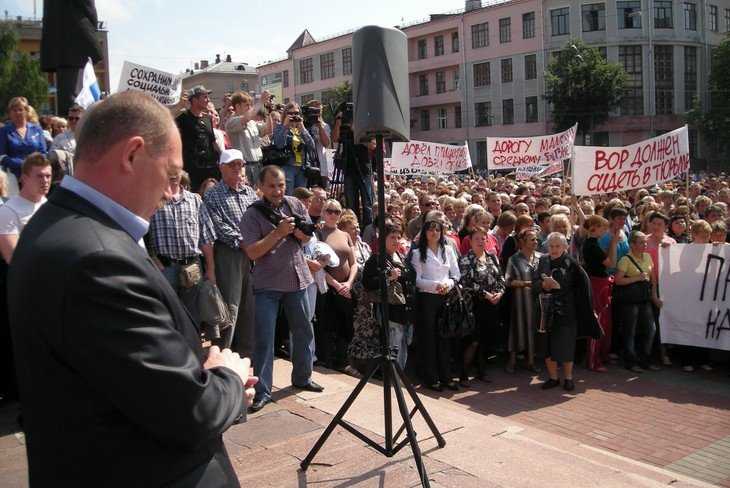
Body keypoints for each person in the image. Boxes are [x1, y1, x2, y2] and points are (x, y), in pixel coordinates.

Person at [8, 91, 255, 487]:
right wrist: (227, 377)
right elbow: (188, 410)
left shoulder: (54, 227)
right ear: (132, 155)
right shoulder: (98, 259)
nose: (172, 193)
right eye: (171, 175)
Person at [241, 165, 324, 413]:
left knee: (304, 331)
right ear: (261, 187)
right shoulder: (252, 214)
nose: (277, 191)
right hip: (267, 284)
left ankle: (302, 377)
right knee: (264, 340)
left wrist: (300, 233)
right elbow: (252, 251)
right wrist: (278, 233)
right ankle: (263, 391)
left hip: (297, 279)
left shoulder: (295, 205)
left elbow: (308, 237)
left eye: (280, 185)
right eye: (272, 186)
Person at [0, 153, 51, 406]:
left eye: (49, 176)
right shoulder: (8, 211)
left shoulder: (50, 205)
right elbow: (13, 257)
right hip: (26, 289)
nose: (45, 181)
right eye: (39, 176)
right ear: (24, 178)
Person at [203, 149, 257, 352]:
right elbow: (218, 226)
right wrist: (245, 242)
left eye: (240, 164)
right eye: (232, 164)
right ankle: (222, 354)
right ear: (221, 168)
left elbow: (257, 220)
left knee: (249, 307)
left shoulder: (249, 192)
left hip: (252, 254)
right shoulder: (213, 195)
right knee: (230, 307)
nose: (237, 168)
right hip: (229, 254)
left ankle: (246, 356)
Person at [147, 170, 217, 327]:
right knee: (166, 314)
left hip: (192, 266)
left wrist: (211, 269)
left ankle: (192, 349)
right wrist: (151, 257)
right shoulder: (153, 199)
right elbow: (143, 232)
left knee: (192, 316)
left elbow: (206, 238)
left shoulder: (195, 201)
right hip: (164, 267)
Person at [535, 232, 601, 391]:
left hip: (566, 310)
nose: (554, 249)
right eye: (551, 246)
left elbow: (583, 288)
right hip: (545, 311)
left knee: (566, 345)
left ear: (565, 246)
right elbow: (534, 281)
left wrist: (588, 309)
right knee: (547, 346)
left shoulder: (571, 263)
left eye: (558, 246)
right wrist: (543, 285)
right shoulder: (543, 260)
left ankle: (569, 378)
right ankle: (553, 378)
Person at [353, 219, 413, 373]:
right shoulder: (376, 259)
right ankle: (393, 377)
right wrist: (388, 277)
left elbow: (410, 277)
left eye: (398, 237)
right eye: (392, 237)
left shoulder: (401, 257)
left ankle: (399, 376)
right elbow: (368, 283)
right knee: (393, 345)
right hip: (388, 310)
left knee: (403, 342)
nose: (396, 240)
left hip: (404, 310)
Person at [411, 211, 461, 392]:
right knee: (429, 339)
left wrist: (447, 284)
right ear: (425, 233)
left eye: (437, 230)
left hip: (445, 297)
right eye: (430, 230)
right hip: (427, 299)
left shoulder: (448, 250)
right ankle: (431, 378)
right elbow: (416, 280)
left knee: (445, 338)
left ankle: (446, 376)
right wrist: (435, 285)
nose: (434, 233)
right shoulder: (418, 253)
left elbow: (455, 274)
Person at [459, 226, 505, 383]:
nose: (480, 241)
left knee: (485, 339)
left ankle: (481, 370)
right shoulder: (465, 260)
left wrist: (500, 292)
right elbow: (465, 282)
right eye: (476, 238)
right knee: (473, 340)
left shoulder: (492, 257)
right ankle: (463, 373)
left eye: (483, 238)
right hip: (474, 305)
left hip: (492, 304)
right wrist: (484, 294)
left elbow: (500, 278)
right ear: (470, 241)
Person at [316, 199, 358, 370]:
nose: (333, 214)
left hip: (346, 287)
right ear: (323, 212)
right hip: (328, 287)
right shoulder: (318, 234)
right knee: (327, 325)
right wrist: (336, 285)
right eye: (329, 210)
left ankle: (343, 361)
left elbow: (353, 262)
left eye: (337, 211)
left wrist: (348, 283)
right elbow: (317, 265)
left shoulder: (345, 235)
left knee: (346, 325)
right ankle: (326, 360)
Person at [613, 231, 661, 373]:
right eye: (640, 242)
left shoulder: (647, 256)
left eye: (645, 242)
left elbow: (652, 278)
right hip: (629, 301)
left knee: (650, 329)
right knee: (630, 331)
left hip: (644, 299)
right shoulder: (625, 260)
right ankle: (631, 361)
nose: (644, 245)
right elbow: (618, 280)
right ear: (632, 244)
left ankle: (645, 359)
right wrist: (636, 278)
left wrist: (654, 297)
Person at [582, 215, 619, 372]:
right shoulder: (591, 245)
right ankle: (592, 360)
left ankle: (600, 356)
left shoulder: (593, 244)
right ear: (595, 227)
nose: (605, 231)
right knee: (598, 321)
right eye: (603, 228)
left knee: (603, 321)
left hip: (600, 283)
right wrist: (613, 244)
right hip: (597, 284)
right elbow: (611, 262)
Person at [505, 227, 542, 374]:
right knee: (517, 329)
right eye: (532, 239)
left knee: (533, 330)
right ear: (522, 241)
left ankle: (531, 362)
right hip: (520, 302)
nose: (535, 242)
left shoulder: (541, 257)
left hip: (537, 301)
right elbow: (508, 281)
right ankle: (512, 361)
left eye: (536, 239)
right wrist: (525, 284)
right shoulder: (514, 259)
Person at [175, 85, 220, 189]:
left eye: (208, 97)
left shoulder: (208, 119)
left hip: (211, 169)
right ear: (194, 100)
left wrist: (222, 157)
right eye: (204, 97)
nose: (208, 100)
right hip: (192, 171)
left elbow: (212, 142)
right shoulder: (182, 119)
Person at [225, 91, 273, 186]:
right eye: (247, 105)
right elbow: (246, 118)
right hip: (245, 167)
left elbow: (268, 130)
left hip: (258, 165)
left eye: (250, 105)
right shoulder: (232, 122)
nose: (250, 108)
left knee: (258, 194)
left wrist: (268, 112)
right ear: (237, 106)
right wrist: (261, 101)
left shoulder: (252, 123)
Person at [272, 102, 315, 195]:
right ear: (285, 114)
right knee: (289, 196)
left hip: (302, 168)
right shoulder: (279, 127)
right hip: (288, 167)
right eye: (290, 113)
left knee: (301, 197)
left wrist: (302, 129)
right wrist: (285, 126)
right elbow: (279, 145)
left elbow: (312, 146)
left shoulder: (302, 128)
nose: (294, 116)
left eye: (296, 113)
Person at [0, 97, 48, 179]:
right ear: (10, 113)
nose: (17, 112)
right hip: (13, 175)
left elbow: (43, 152)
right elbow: (2, 156)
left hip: (36, 174)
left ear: (26, 111)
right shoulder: (4, 131)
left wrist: (34, 165)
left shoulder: (37, 129)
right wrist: (22, 164)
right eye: (14, 110)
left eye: (20, 109)